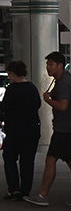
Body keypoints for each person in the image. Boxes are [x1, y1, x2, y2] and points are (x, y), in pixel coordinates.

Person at [24, 51, 71, 207]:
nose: (48, 67)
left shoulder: (63, 84)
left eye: (51, 64)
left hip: (64, 129)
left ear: (60, 66)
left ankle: (43, 195)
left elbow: (63, 105)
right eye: (47, 64)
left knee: (51, 160)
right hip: (68, 128)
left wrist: (48, 100)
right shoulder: (64, 80)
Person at [0, 61, 41, 200]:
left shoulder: (12, 89)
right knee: (27, 161)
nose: (9, 77)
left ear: (13, 73)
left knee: (9, 157)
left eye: (9, 74)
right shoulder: (32, 87)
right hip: (32, 129)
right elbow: (38, 104)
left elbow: (4, 107)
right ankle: (25, 191)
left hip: (15, 130)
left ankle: (14, 189)